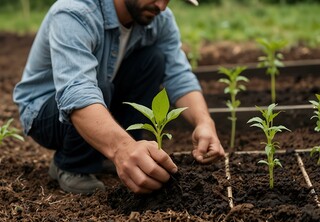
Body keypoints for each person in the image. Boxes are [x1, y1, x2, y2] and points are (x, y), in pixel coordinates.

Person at [13, 0, 225, 195]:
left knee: (153, 60)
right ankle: (71, 165)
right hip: (45, 115)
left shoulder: (159, 18)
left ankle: (108, 152)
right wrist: (122, 149)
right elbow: (76, 92)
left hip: (100, 97)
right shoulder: (74, 11)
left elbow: (179, 74)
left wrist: (204, 122)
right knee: (97, 85)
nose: (161, 5)